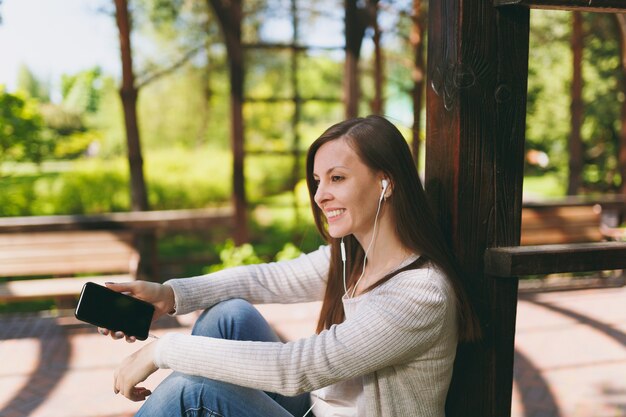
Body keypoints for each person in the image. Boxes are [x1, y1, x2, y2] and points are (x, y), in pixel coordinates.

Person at [101, 115, 481, 417]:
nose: (320, 195)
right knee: (229, 315)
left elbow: (296, 369)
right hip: (317, 408)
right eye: (318, 181)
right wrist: (170, 295)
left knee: (192, 391)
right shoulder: (355, 259)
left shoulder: (420, 293)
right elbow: (265, 279)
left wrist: (162, 351)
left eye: (337, 178)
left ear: (386, 183)